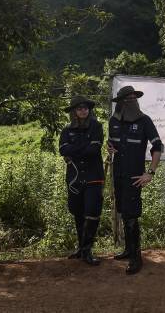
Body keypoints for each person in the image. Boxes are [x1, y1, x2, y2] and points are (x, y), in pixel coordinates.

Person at [108, 86, 163, 274]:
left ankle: (136, 257)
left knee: (131, 215)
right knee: (124, 212)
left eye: (134, 97)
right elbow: (112, 143)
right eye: (127, 98)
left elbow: (157, 146)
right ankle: (128, 249)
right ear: (121, 102)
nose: (132, 100)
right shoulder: (113, 122)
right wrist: (110, 148)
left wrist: (150, 172)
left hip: (134, 177)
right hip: (118, 175)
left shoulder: (144, 121)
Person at [59, 96, 104, 266]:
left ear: (89, 110)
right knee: (77, 212)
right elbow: (62, 149)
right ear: (74, 112)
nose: (83, 111)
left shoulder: (97, 126)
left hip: (93, 176)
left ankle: (87, 250)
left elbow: (94, 150)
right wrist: (81, 148)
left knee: (92, 213)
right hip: (74, 178)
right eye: (79, 108)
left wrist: (73, 151)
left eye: (85, 108)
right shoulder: (66, 129)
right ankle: (81, 248)